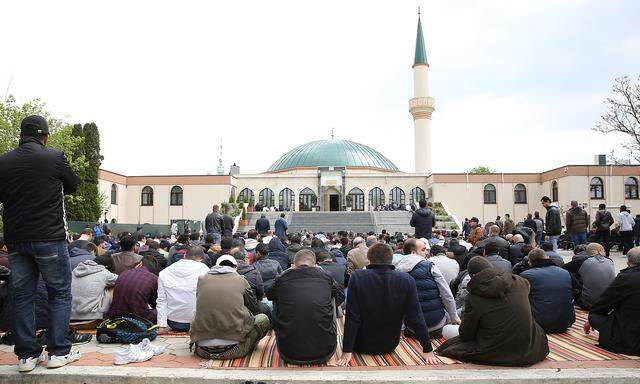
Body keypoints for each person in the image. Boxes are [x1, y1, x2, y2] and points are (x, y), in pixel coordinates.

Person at [0, 115, 81, 371]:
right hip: (49, 237)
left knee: (22, 296)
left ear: (20, 136)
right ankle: (58, 352)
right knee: (59, 293)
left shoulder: (4, 162)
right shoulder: (55, 157)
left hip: (17, 239)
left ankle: (26, 356)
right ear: (45, 137)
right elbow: (73, 185)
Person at [436, 256, 549, 366]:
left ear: (473, 276)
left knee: (446, 330)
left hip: (496, 348)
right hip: (530, 347)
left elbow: (466, 335)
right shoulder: (520, 281)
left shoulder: (474, 297)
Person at [339, 243, 438, 366]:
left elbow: (352, 316)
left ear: (369, 260)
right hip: (389, 344)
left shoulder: (358, 277)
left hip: (360, 344)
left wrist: (347, 350)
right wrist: (427, 349)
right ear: (391, 259)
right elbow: (416, 316)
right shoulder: (406, 280)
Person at [267, 249, 344, 364]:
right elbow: (341, 296)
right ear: (315, 265)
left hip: (288, 352)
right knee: (331, 296)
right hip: (325, 351)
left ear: (293, 265)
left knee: (277, 297)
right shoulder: (326, 276)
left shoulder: (282, 278)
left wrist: (286, 273)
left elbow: (269, 295)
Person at [190, 255, 271, 360]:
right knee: (263, 319)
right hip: (233, 350)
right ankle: (247, 344)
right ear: (236, 267)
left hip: (203, 350)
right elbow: (252, 306)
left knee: (195, 315)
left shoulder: (202, 280)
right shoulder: (241, 280)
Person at [395, 239, 460, 336]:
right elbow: (446, 294)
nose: (426, 252)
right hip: (437, 326)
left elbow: (397, 302)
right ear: (413, 252)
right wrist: (454, 318)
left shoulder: (397, 271)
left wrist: (402, 328)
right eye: (423, 250)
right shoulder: (430, 266)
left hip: (413, 329)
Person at [584, 247, 640, 355]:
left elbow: (603, 304)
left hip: (630, 335)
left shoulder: (626, 277)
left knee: (594, 316)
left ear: (628, 262)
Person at [156, 246, 210, 333]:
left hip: (173, 323)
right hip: (198, 323)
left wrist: (162, 326)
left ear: (184, 255)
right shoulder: (205, 270)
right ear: (201, 259)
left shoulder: (165, 272)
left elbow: (161, 300)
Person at [520, 249, 575, 332]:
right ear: (547, 257)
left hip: (539, 322)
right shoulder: (565, 272)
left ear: (530, 262)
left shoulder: (526, 275)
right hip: (566, 321)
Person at [563, 243, 616, 310]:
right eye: (604, 251)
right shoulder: (610, 261)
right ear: (600, 252)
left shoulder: (581, 261)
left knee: (568, 276)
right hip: (609, 302)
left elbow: (562, 269)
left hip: (589, 304)